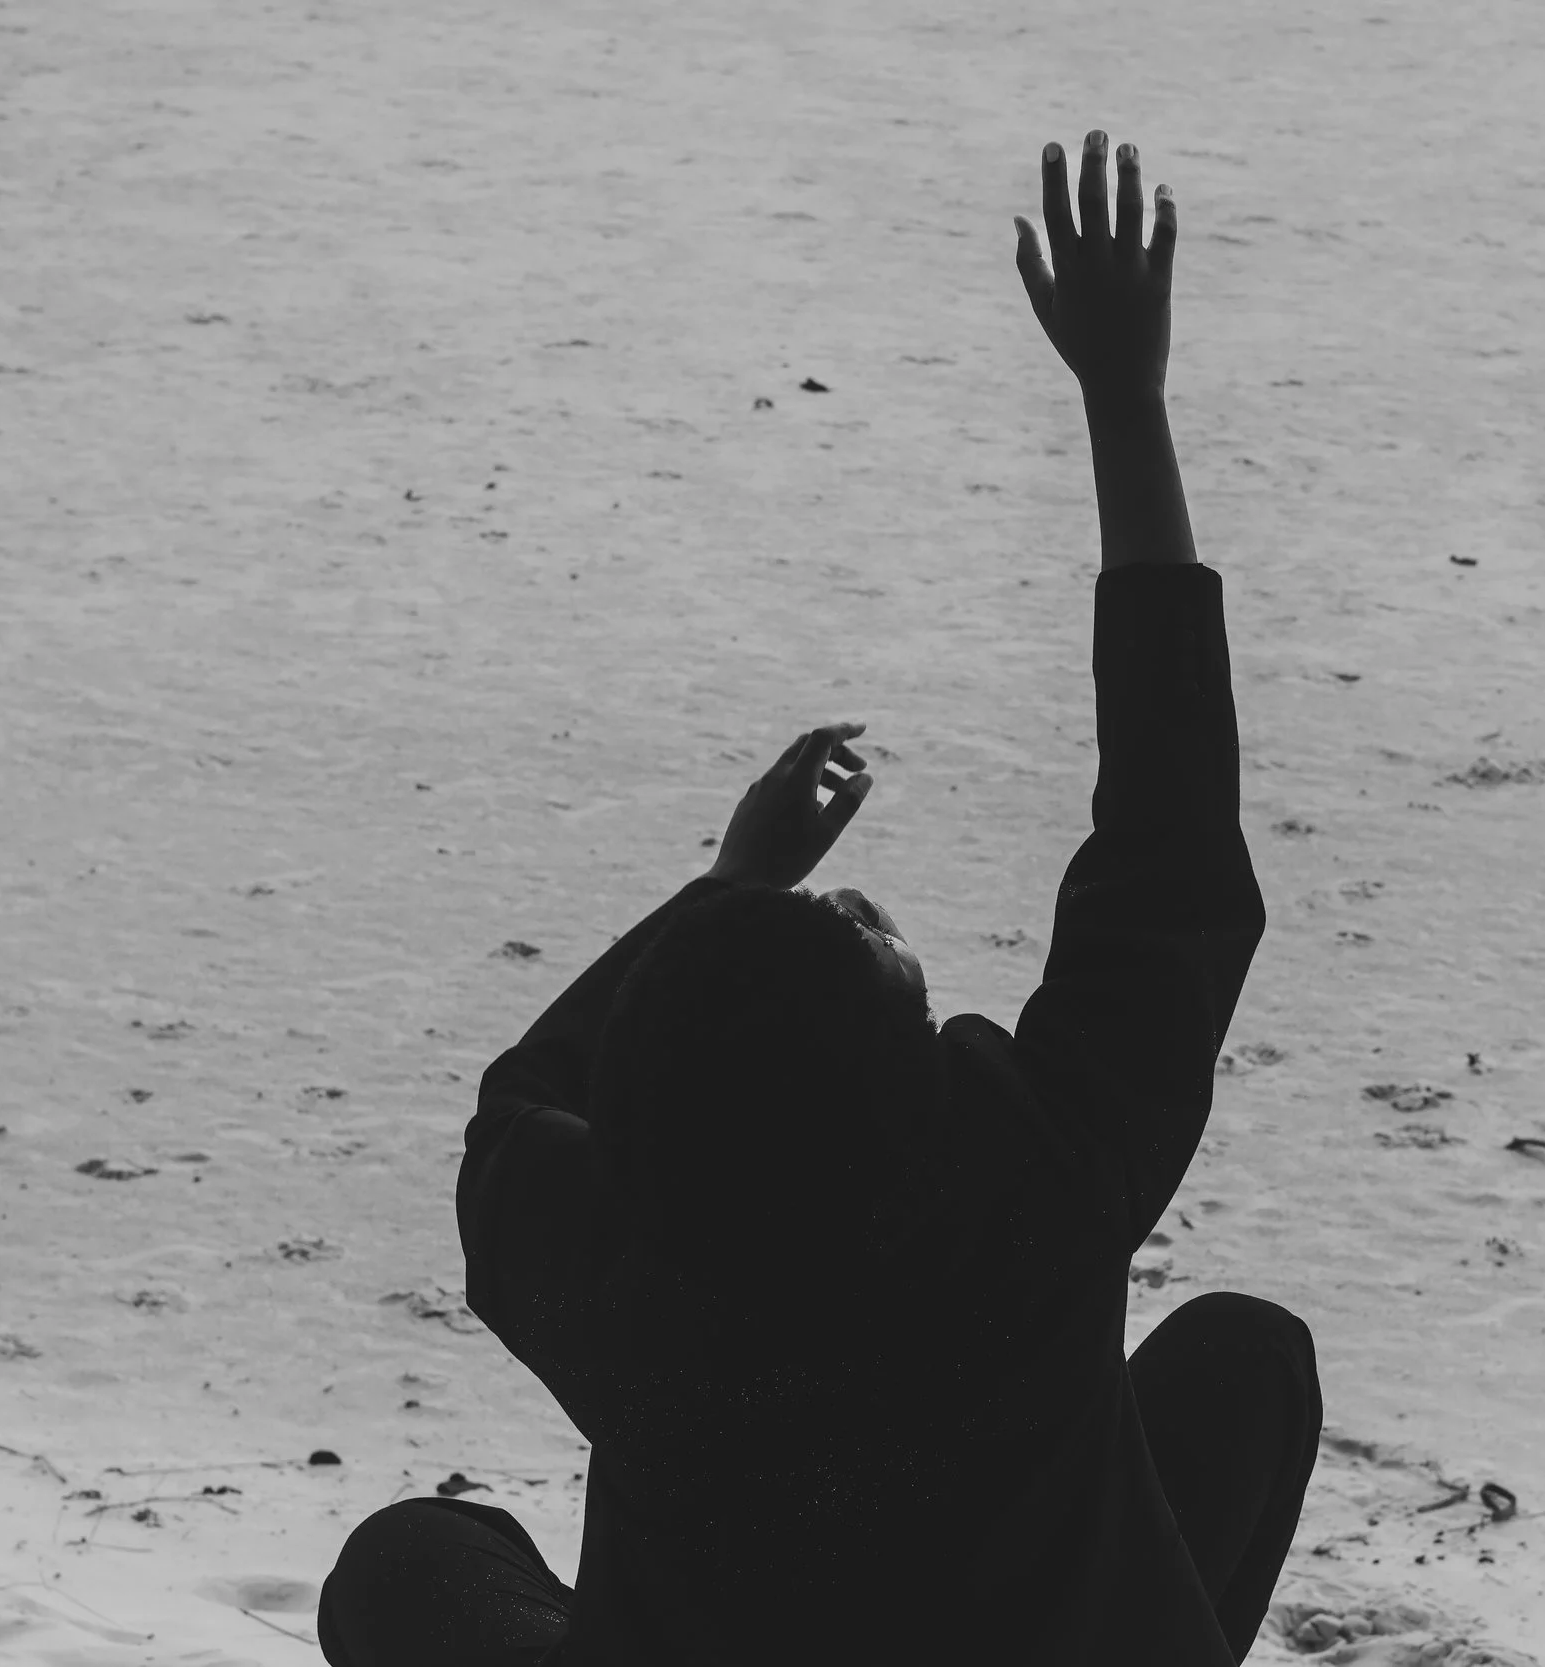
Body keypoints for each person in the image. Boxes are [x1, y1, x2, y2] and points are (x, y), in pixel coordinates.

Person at [319, 129, 1319, 1667]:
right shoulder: (1031, 1182)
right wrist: (1126, 397)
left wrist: (727, 888)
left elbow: (516, 1115)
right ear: (904, 1087)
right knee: (1244, 1361)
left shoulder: (629, 1273)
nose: (869, 913)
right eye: (881, 960)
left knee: (406, 1568)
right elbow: (1174, 847)